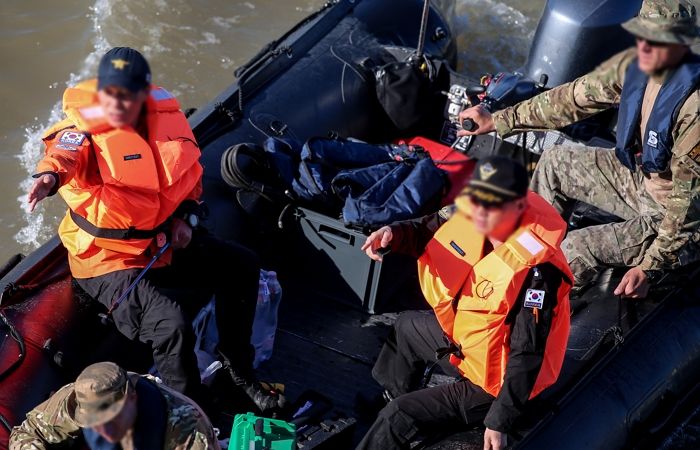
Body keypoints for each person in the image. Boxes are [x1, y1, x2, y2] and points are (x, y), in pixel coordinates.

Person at [26, 47, 283, 412]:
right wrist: (48, 178)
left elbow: (188, 179)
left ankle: (239, 373)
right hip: (107, 259)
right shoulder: (80, 130)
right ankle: (190, 412)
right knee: (171, 324)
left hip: (160, 243)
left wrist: (186, 215)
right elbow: (63, 157)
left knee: (241, 264)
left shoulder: (165, 118)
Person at [459, 0, 700, 299]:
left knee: (575, 248)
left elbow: (686, 209)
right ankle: (520, 253)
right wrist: (499, 120)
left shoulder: (694, 110)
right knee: (555, 163)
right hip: (643, 182)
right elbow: (571, 99)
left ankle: (530, 311)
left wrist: (651, 267)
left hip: (674, 217)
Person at [358, 157, 573, 450]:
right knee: (407, 326)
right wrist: (393, 234)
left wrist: (500, 421)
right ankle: (394, 398)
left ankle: (400, 417)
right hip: (469, 349)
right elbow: (426, 230)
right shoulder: (471, 217)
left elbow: (528, 353)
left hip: (493, 384)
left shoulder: (538, 274)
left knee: (399, 415)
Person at [9, 361, 219, 449]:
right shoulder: (76, 398)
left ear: (132, 398)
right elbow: (26, 433)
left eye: (110, 418)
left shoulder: (187, 428)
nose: (103, 430)